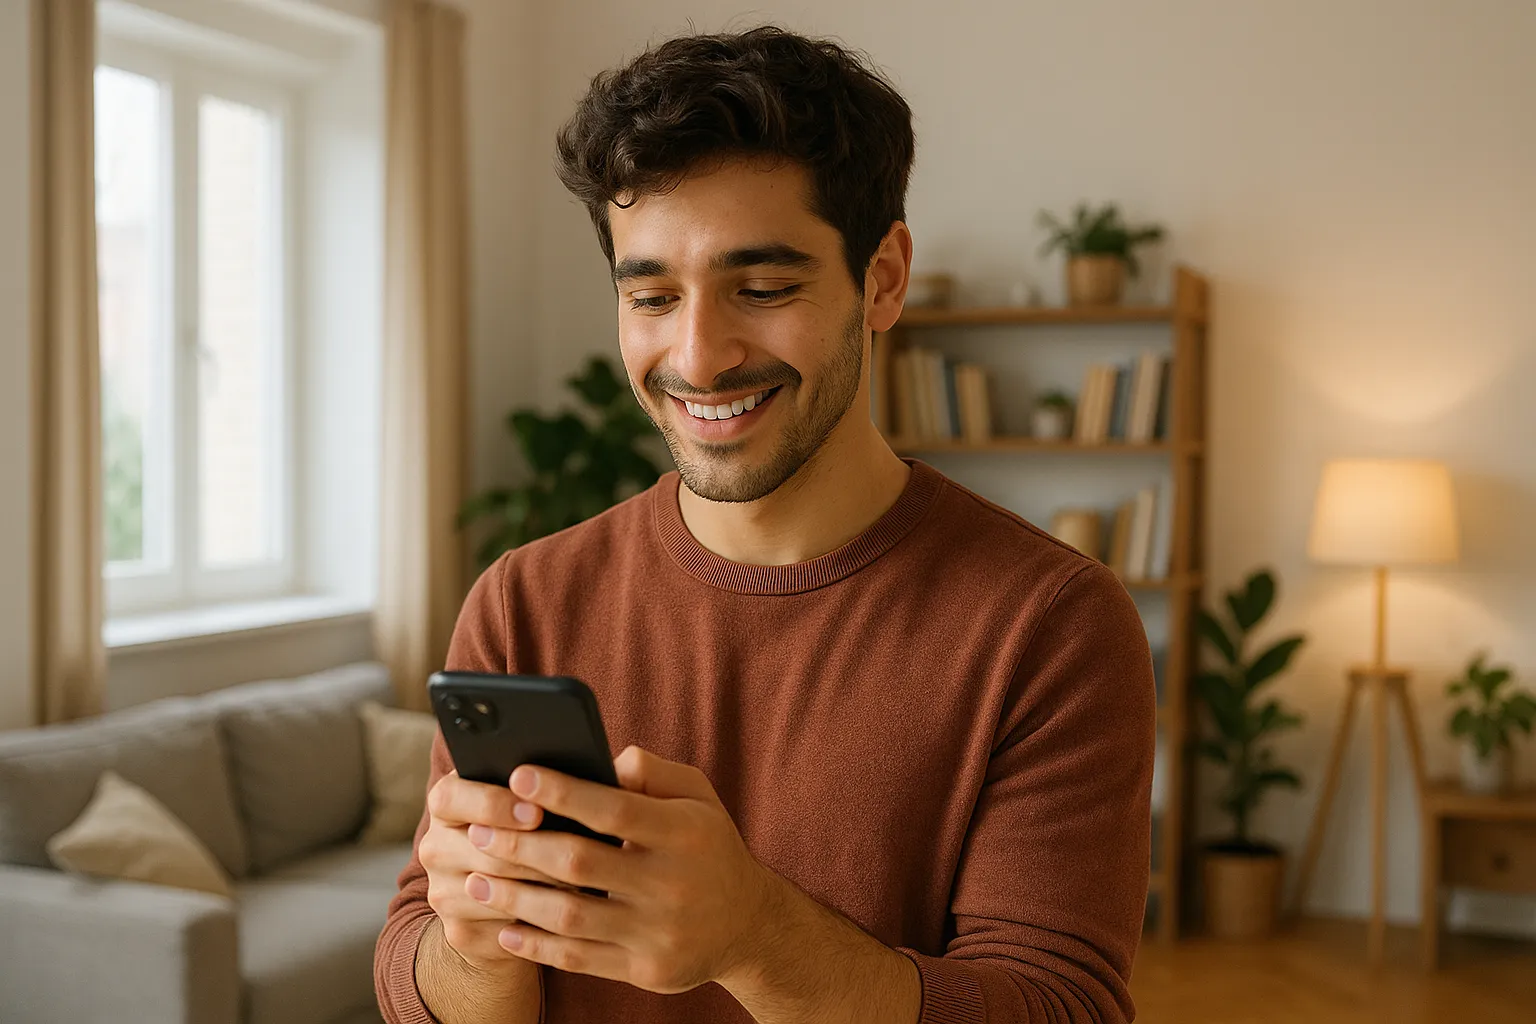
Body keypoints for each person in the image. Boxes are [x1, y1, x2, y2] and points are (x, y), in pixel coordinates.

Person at [375, 25, 1154, 1024]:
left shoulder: (1050, 625)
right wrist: (478, 941)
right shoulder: (525, 598)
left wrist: (752, 935)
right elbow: (414, 968)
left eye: (763, 287)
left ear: (882, 280)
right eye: (652, 294)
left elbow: (1061, 1008)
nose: (698, 355)